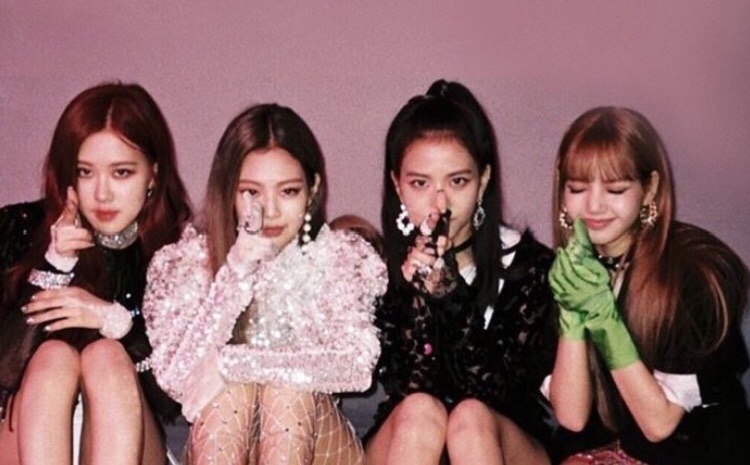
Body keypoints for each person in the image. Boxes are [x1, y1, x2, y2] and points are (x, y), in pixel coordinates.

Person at [142, 103, 387, 464]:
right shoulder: (190, 261)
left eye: (288, 191)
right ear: (229, 191)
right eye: (252, 193)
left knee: (288, 393)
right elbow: (175, 377)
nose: (270, 209)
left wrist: (233, 363)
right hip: (225, 437)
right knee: (231, 396)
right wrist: (234, 274)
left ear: (312, 190)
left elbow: (356, 366)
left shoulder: (337, 257)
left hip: (319, 446)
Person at [365, 79, 557, 465]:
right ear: (397, 186)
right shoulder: (375, 270)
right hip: (410, 437)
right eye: (420, 183)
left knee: (470, 420)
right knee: (419, 411)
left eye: (457, 181)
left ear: (482, 181)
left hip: (504, 438)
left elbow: (495, 392)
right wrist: (419, 294)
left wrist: (449, 293)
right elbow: (409, 387)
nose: (440, 202)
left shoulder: (529, 266)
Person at [0, 82, 192, 464]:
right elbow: (5, 370)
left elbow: (174, 400)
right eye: (86, 172)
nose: (102, 194)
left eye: (121, 173)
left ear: (153, 175)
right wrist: (55, 265)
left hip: (128, 437)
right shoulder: (20, 227)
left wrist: (115, 322)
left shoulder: (177, 253)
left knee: (106, 357)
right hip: (25, 439)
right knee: (54, 357)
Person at [546, 106, 750, 464]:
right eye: (577, 188)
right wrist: (573, 314)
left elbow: (659, 424)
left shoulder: (695, 270)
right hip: (618, 447)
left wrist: (604, 319)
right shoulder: (571, 271)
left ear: (650, 188)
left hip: (698, 449)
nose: (594, 205)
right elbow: (572, 417)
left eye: (615, 189)